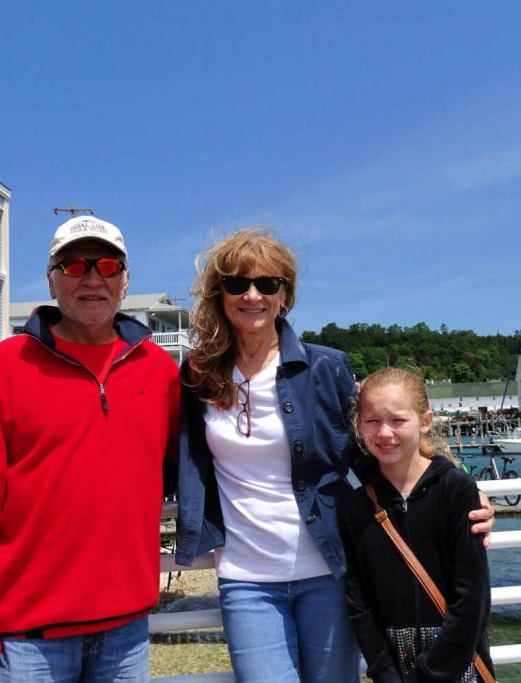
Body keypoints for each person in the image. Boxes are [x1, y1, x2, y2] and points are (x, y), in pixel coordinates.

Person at [174, 228, 494, 683]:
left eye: (268, 284)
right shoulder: (199, 374)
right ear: (219, 291)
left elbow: (373, 452)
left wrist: (462, 494)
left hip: (327, 569)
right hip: (246, 575)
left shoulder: (325, 367)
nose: (252, 295)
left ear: (285, 294)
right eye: (237, 283)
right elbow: (178, 457)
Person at [0, 215, 180, 683]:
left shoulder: (158, 369)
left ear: (125, 282)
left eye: (108, 265)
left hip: (127, 627)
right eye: (74, 266)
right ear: (52, 280)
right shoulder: (1, 370)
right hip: (28, 636)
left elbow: (191, 466)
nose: (92, 278)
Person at [339, 368, 494, 683]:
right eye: (372, 421)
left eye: (398, 421)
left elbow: (473, 599)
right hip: (393, 663)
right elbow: (358, 602)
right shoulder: (357, 505)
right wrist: (383, 671)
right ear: (358, 426)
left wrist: (428, 674)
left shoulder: (455, 490)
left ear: (425, 421)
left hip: (456, 659)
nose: (384, 433)